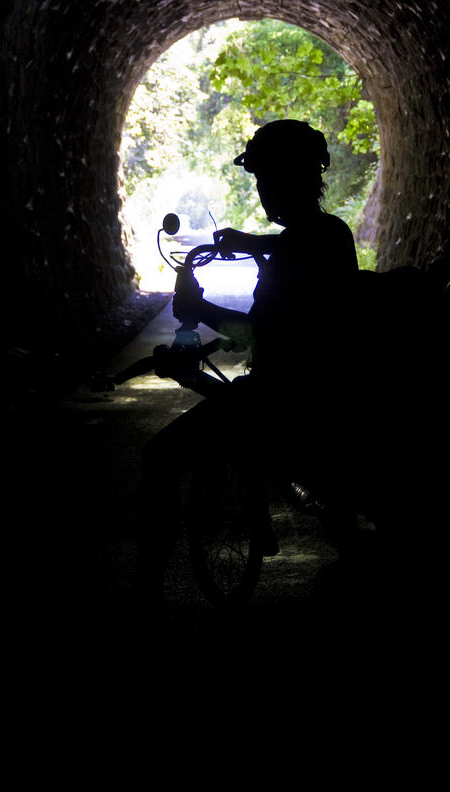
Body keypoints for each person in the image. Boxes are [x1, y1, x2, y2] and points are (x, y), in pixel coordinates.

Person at [137, 120, 359, 600]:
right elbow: (293, 246)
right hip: (326, 389)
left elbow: (256, 330)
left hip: (282, 398)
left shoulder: (300, 246)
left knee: (159, 457)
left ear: (283, 180)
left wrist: (199, 310)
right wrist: (253, 242)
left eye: (263, 179)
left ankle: (147, 591)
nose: (260, 189)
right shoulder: (329, 232)